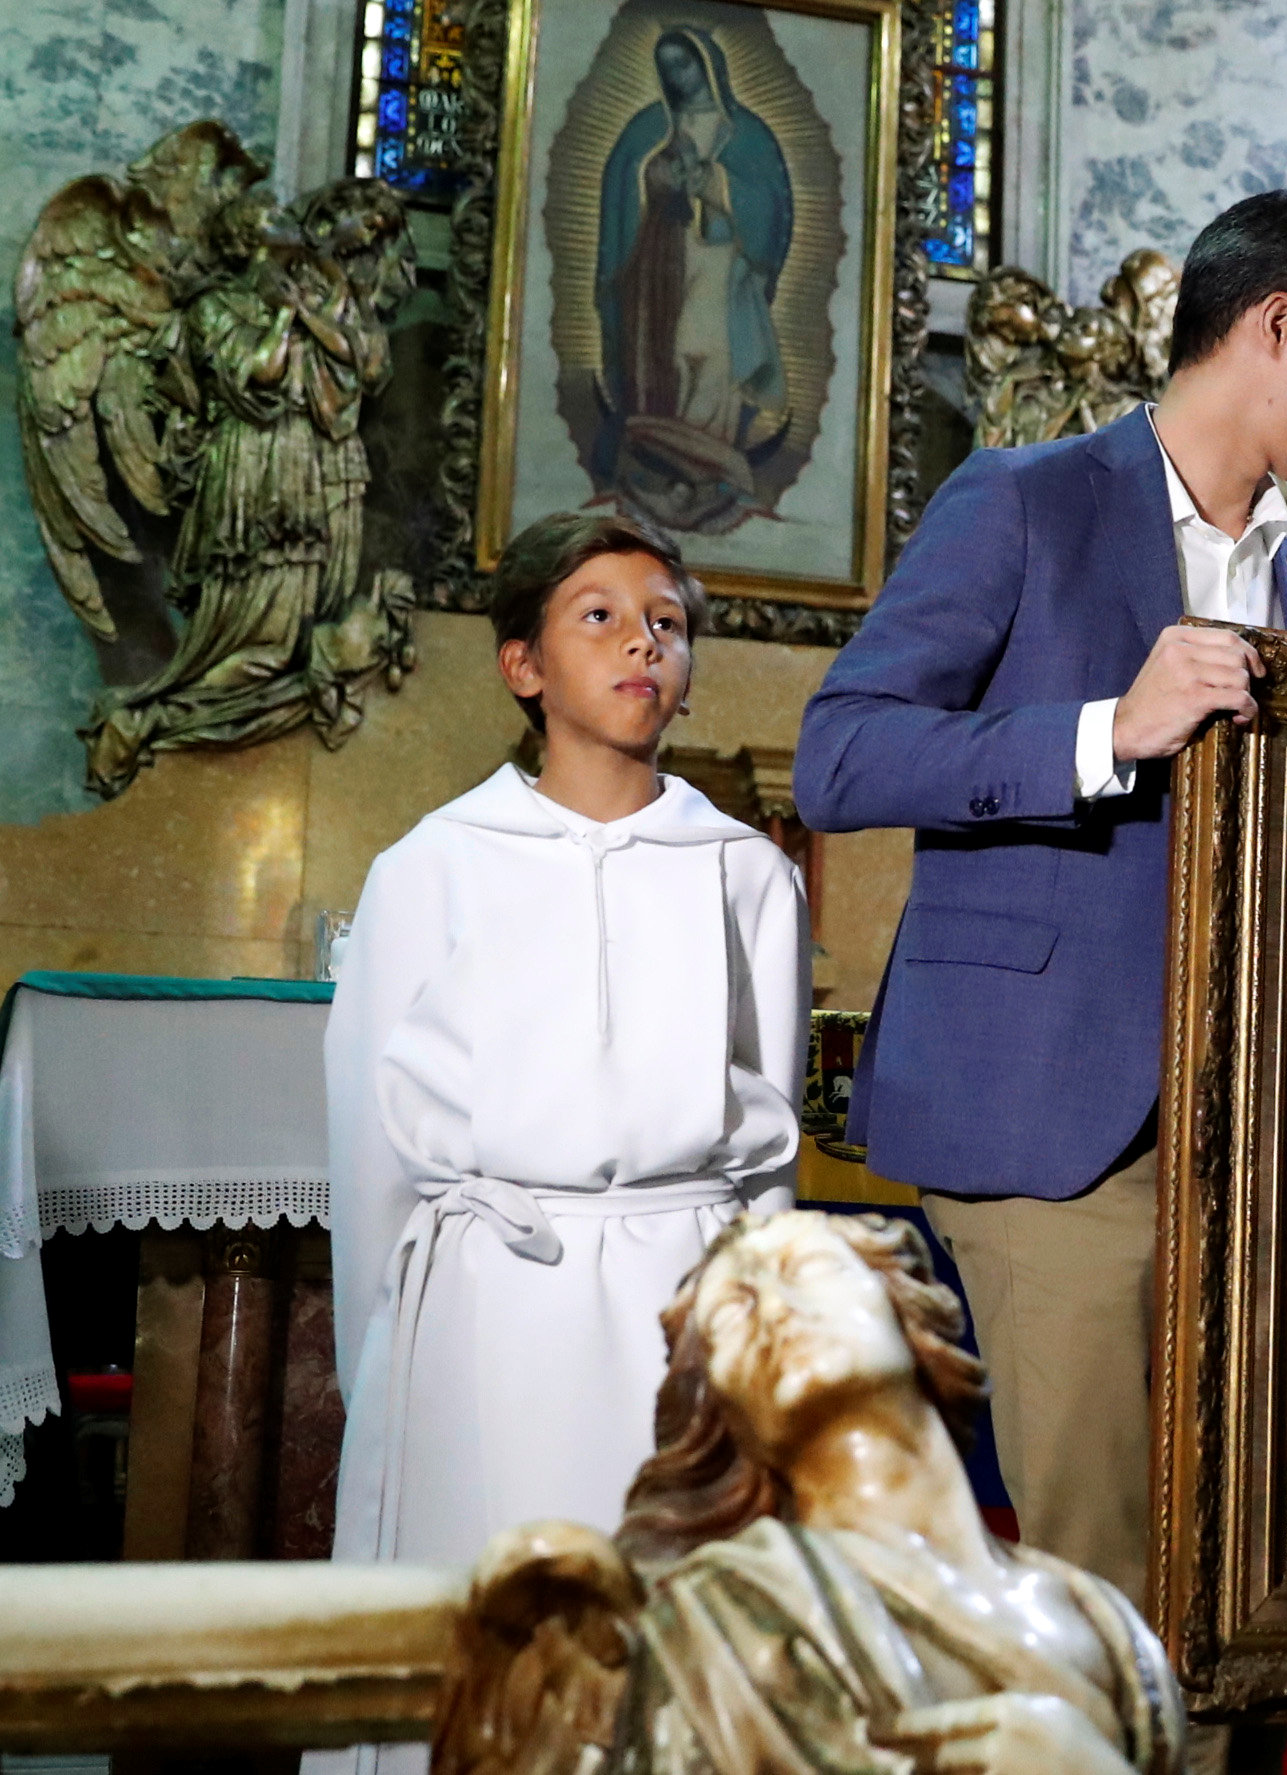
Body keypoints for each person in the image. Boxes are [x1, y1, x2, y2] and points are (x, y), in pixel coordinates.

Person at [792, 189, 1287, 1612]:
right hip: (1048, 1115)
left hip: (1246, 1141)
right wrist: (1101, 733)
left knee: (1244, 1572)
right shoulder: (1024, 497)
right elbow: (839, 754)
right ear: (1272, 326)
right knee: (1107, 1572)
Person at [322, 512, 808, 1775]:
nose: (641, 641)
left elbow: (768, 1147)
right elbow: (372, 1151)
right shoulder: (431, 868)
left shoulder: (742, 871)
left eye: (666, 620)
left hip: (677, 1303)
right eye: (598, 614)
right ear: (522, 665)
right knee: (502, 1651)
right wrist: (390, 1358)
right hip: (493, 1296)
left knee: (666, 1652)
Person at [436, 1210, 1184, 1775]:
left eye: (809, 1269)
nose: (775, 1307)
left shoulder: (1099, 1622)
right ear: (714, 1404)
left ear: (907, 1307)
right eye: (733, 1312)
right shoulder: (718, 1627)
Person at [596, 25, 795, 531]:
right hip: (660, 265)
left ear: (707, 64)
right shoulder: (648, 129)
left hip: (720, 263)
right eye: (667, 68)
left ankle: (704, 475)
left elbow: (772, 205)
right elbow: (624, 187)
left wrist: (717, 184)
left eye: (683, 64)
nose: (677, 77)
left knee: (710, 355)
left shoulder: (746, 133)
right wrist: (655, 180)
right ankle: (679, 472)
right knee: (667, 357)